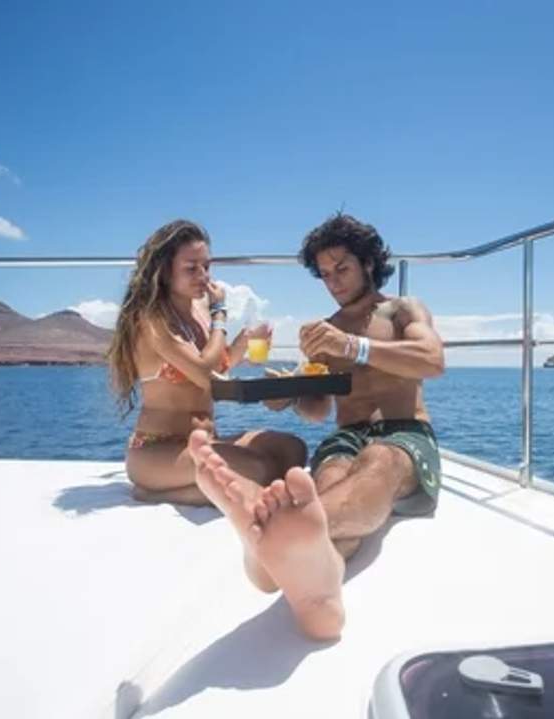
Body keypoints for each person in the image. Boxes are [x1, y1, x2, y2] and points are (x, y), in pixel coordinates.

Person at [186, 213, 444, 640]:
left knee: (378, 459)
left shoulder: (401, 310)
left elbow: (432, 360)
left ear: (366, 262)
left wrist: (354, 347)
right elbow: (318, 411)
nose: (334, 281)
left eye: (341, 268)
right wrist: (288, 394)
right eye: (324, 274)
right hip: (346, 434)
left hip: (403, 432)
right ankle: (319, 590)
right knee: (328, 478)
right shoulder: (328, 330)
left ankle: (268, 543)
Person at [107, 219, 306, 510]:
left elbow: (216, 371)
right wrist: (220, 313)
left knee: (292, 450)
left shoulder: (198, 309)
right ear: (164, 272)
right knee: (257, 470)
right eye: (191, 268)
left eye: (207, 266)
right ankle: (154, 493)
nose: (203, 276)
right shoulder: (152, 319)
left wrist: (243, 342)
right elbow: (206, 375)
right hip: (159, 450)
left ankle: (207, 485)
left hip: (203, 443)